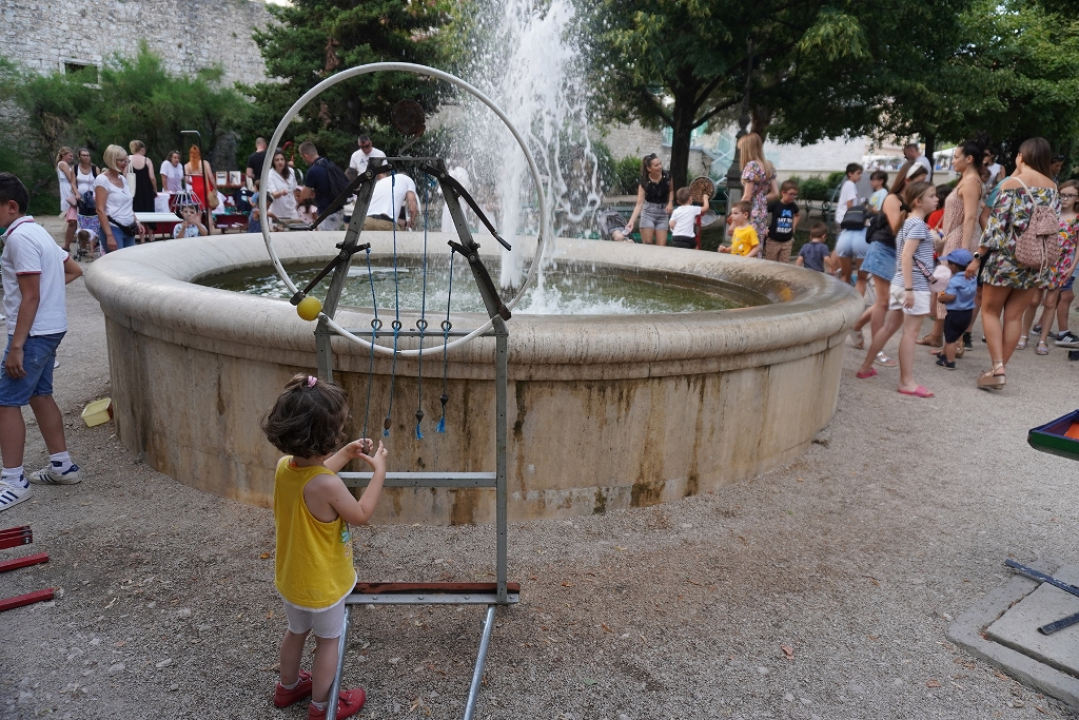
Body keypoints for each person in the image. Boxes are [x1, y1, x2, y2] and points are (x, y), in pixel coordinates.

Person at [262, 373, 388, 720]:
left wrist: (345, 455)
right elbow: (360, 514)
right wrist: (379, 472)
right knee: (328, 642)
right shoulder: (328, 486)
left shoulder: (285, 468)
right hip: (324, 586)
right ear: (326, 438)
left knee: (296, 632)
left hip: (292, 580)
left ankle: (287, 688)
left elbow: (313, 474)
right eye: (340, 431)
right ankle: (322, 706)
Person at [0, 173, 84, 512]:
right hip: (49, 329)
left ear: (10, 206)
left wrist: (16, 347)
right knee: (39, 393)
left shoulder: (19, 240)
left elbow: (30, 297)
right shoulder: (39, 233)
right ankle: (62, 465)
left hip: (33, 334)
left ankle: (13, 481)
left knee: (5, 401)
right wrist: (48, 298)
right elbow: (74, 269)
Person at [965, 137, 1061, 390]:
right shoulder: (1053, 187)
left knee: (990, 311)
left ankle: (997, 368)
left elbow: (995, 228)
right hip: (1035, 261)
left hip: (1005, 259)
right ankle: (998, 370)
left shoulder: (1011, 184)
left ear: (1021, 155)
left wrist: (977, 258)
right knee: (1014, 316)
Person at [855, 180, 939, 398]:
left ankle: (865, 367)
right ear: (918, 201)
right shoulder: (917, 225)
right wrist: (911, 289)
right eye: (932, 196)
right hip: (913, 285)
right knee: (910, 333)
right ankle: (906, 382)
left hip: (902, 283)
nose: (936, 199)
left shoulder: (908, 223)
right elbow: (907, 255)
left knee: (889, 328)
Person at [847, 163, 927, 367]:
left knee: (886, 300)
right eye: (920, 181)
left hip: (896, 254)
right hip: (883, 250)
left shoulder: (909, 202)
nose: (923, 185)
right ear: (907, 180)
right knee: (884, 302)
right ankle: (878, 350)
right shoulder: (893, 199)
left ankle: (856, 326)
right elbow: (897, 229)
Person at [920, 138, 988, 351]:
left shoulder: (970, 183)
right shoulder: (967, 180)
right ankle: (938, 335)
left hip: (961, 239)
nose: (953, 160)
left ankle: (954, 342)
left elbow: (969, 218)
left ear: (969, 159)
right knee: (945, 286)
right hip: (955, 237)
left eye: (956, 156)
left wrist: (963, 251)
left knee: (954, 289)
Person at [1030, 180, 1079, 352]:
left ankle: (1043, 339)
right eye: (1062, 194)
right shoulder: (1052, 213)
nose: (1065, 198)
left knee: (1052, 301)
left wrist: (1073, 266)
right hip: (1043, 261)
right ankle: (1024, 334)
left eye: (1070, 195)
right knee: (1034, 299)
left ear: (1077, 198)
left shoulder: (1077, 218)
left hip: (1063, 263)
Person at [94, 145, 144, 254]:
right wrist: (109, 236)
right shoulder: (102, 180)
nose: (125, 163)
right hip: (114, 228)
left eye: (126, 160)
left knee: (129, 262)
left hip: (129, 228)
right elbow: (100, 210)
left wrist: (137, 222)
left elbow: (128, 205)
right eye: (121, 160)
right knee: (117, 264)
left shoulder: (123, 179)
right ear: (112, 160)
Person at [935, 249, 977, 369]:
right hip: (968, 313)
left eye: (949, 264)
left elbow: (951, 296)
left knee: (950, 339)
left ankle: (949, 361)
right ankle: (944, 353)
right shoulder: (972, 279)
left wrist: (941, 298)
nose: (948, 266)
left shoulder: (954, 281)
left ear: (954, 266)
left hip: (955, 314)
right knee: (954, 335)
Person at [832, 163, 868, 292]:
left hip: (842, 220)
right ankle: (833, 269)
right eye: (858, 173)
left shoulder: (847, 185)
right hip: (846, 221)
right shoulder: (851, 185)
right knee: (861, 278)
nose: (860, 176)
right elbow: (850, 205)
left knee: (839, 247)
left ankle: (834, 270)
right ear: (850, 174)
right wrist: (855, 217)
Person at [624, 154, 673, 246]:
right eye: (656, 165)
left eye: (660, 164)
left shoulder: (667, 176)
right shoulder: (644, 182)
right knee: (648, 245)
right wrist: (631, 221)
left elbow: (671, 191)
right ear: (649, 168)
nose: (660, 167)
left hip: (663, 214)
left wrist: (670, 202)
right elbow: (639, 203)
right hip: (648, 213)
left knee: (661, 247)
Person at [737, 133, 776, 247]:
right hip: (762, 212)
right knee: (757, 244)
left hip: (750, 213)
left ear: (747, 149)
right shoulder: (768, 165)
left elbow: (747, 196)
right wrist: (760, 200)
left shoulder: (752, 165)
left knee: (745, 244)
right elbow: (775, 193)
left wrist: (735, 213)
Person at [298, 141, 345, 232]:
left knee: (326, 242)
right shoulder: (329, 163)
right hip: (338, 210)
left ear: (305, 156)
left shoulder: (313, 170)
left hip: (326, 213)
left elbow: (303, 196)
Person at [764, 181, 800, 262]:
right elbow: (763, 214)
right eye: (791, 194)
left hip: (787, 241)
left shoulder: (793, 206)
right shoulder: (775, 204)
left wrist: (793, 227)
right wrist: (764, 227)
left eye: (795, 195)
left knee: (784, 264)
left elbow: (797, 215)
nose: (793, 197)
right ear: (783, 192)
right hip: (773, 240)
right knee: (770, 262)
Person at [184, 144, 216, 231]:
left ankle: (199, 231)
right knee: (209, 212)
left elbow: (186, 180)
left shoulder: (187, 166)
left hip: (196, 189)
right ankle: (210, 231)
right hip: (206, 188)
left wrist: (193, 183)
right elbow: (210, 176)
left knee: (198, 212)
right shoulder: (205, 163)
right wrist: (215, 188)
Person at [55, 147, 79, 252]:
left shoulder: (64, 164)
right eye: (70, 155)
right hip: (67, 189)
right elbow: (71, 178)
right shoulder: (63, 164)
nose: (71, 157)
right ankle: (70, 238)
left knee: (71, 215)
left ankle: (73, 235)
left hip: (68, 188)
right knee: (71, 213)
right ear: (63, 155)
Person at [439, 162, 470, 233]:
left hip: (458, 201)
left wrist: (458, 193)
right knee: (449, 227)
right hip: (450, 201)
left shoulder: (459, 170)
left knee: (456, 227)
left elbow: (465, 186)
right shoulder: (449, 171)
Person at [267, 150, 298, 221]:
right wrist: (281, 192)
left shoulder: (291, 171)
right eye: (277, 160)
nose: (280, 162)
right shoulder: (270, 174)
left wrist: (297, 203)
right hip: (277, 212)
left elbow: (294, 190)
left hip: (292, 210)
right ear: (273, 162)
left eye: (282, 159)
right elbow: (274, 194)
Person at [128, 140, 157, 214]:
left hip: (133, 191)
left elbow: (124, 175)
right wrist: (155, 190)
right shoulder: (147, 160)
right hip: (146, 191)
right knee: (148, 215)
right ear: (142, 149)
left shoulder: (128, 159)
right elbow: (152, 177)